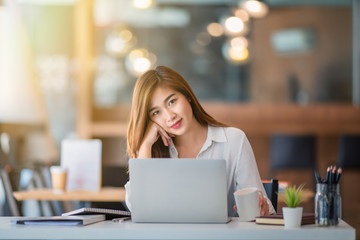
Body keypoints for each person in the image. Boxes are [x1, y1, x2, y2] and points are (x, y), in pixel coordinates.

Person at [125, 65, 275, 217]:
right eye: (156, 112)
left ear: (187, 95)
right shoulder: (150, 152)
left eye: (172, 102)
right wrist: (145, 146)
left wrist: (262, 208)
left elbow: (262, 207)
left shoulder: (233, 140)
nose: (170, 116)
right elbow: (137, 208)